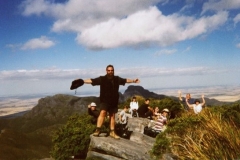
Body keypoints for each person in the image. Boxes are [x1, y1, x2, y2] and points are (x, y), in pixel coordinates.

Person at [73, 64, 140, 139]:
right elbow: (92, 80)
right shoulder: (102, 79)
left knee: (112, 115)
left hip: (114, 100)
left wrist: (134, 80)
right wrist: (82, 81)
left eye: (112, 70)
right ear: (106, 71)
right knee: (103, 112)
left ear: (113, 71)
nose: (110, 72)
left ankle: (112, 132)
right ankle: (98, 130)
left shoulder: (117, 79)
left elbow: (125, 80)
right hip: (104, 100)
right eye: (109, 70)